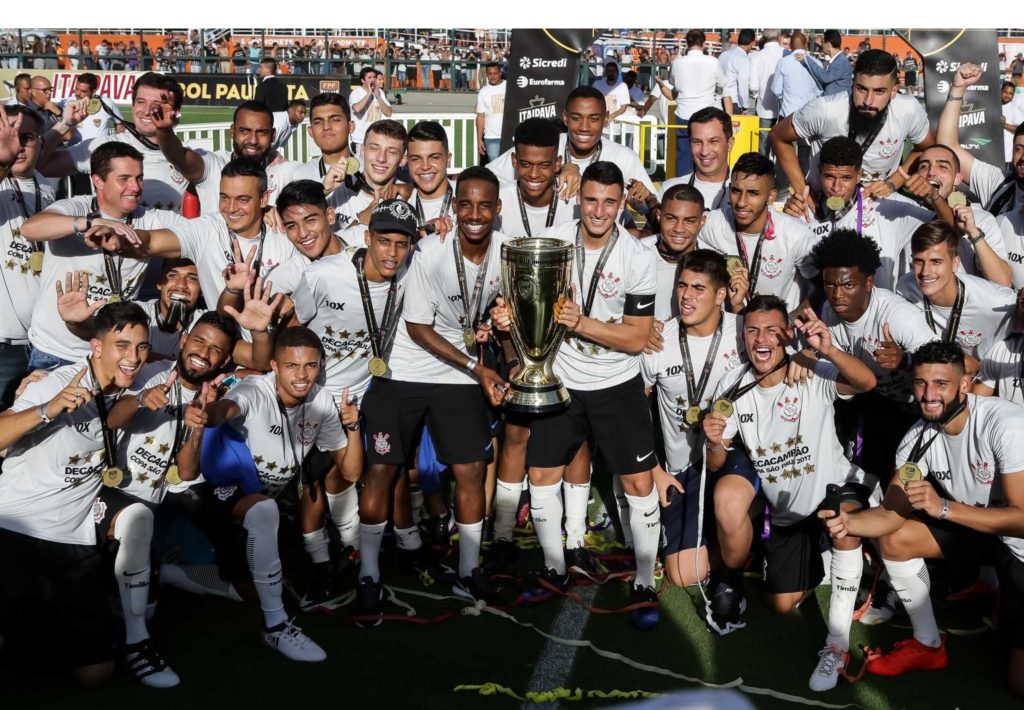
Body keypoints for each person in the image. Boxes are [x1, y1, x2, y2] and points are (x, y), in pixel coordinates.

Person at [497, 161, 662, 629]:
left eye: (610, 202)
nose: (599, 210)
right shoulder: (554, 241)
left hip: (617, 384)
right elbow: (519, 298)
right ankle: (553, 568)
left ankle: (646, 580)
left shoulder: (637, 257)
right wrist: (510, 315)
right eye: (591, 199)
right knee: (541, 472)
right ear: (579, 198)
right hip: (561, 378)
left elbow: (635, 337)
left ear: (622, 204)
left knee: (638, 484)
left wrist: (582, 323)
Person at [822, 341, 1024, 698]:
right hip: (982, 534)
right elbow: (890, 513)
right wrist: (848, 523)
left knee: (1018, 684)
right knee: (895, 540)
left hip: (1019, 546)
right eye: (920, 383)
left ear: (964, 384)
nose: (928, 395)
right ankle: (928, 644)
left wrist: (944, 509)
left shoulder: (1004, 424)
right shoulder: (917, 438)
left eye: (940, 384)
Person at [703, 294, 877, 691]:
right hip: (790, 517)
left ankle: (837, 646)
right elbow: (716, 465)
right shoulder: (733, 390)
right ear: (743, 337)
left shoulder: (811, 370)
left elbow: (866, 382)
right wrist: (714, 443)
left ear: (786, 335)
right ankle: (826, 559)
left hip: (838, 490)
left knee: (843, 522)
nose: (761, 338)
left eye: (770, 330)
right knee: (779, 605)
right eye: (752, 330)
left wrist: (827, 349)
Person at [357, 168, 508, 617]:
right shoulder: (427, 251)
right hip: (404, 371)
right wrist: (477, 367)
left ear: (498, 209)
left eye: (485, 205)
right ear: (453, 207)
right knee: (382, 470)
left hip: (459, 376)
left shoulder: (505, 252)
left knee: (470, 470)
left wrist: (498, 324)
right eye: (465, 204)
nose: (474, 214)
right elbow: (418, 328)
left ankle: (467, 569)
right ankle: (367, 572)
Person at [0, 302, 175, 687]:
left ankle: (32, 633)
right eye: (122, 345)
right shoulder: (56, 382)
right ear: (96, 347)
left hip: (72, 542)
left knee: (96, 674)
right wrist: (48, 409)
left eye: (142, 347)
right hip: (15, 530)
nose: (133, 357)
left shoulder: (139, 382)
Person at [181, 326, 359, 661]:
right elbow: (228, 409)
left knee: (248, 587)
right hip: (212, 490)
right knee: (265, 514)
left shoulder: (321, 400)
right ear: (275, 366)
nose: (302, 375)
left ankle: (175, 574)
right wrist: (209, 413)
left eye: (310, 365)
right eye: (292, 366)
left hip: (257, 502)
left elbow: (350, 472)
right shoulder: (254, 390)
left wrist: (354, 427)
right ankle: (276, 627)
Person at [19, 142, 182, 371]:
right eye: (124, 178)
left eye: (139, 177)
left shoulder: (149, 218)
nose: (135, 187)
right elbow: (30, 229)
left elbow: (190, 239)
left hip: (111, 355)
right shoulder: (76, 206)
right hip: (55, 354)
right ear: (98, 181)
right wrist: (89, 222)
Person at [641, 249, 747, 589]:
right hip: (681, 470)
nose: (687, 296)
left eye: (699, 288)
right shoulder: (658, 341)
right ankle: (733, 543)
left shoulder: (745, 332)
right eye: (683, 286)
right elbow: (634, 410)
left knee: (730, 504)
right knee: (684, 575)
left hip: (733, 458)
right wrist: (655, 470)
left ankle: (749, 526)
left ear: (720, 295)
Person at [771, 49, 935, 203]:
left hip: (880, 206)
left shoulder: (908, 109)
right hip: (825, 205)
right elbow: (777, 136)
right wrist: (802, 190)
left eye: (879, 91)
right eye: (861, 89)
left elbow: (926, 148)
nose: (868, 101)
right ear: (852, 83)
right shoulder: (825, 109)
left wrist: (893, 182)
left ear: (894, 91)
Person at [781, 136, 935, 290]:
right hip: (824, 310)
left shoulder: (885, 204)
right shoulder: (802, 210)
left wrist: (935, 197)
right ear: (820, 171)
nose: (836, 187)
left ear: (859, 175)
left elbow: (946, 225)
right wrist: (789, 220)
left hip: (877, 311)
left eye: (846, 178)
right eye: (829, 176)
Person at [38, 72, 193, 213]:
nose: (147, 110)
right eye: (141, 102)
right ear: (132, 106)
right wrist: (65, 124)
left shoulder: (190, 159)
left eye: (157, 104)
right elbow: (40, 165)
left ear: (175, 112)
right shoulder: (102, 147)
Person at [696, 152, 818, 313]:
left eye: (753, 193)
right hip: (732, 330)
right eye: (736, 191)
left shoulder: (796, 234)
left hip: (779, 335)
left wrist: (789, 321)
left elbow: (822, 288)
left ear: (771, 196)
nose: (741, 202)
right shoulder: (712, 223)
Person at [896, 221, 1017, 374]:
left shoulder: (996, 302)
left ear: (955, 264)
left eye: (936, 262)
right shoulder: (906, 288)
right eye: (919, 261)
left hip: (984, 384)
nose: (925, 272)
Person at [148, 99, 299, 214]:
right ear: (232, 131)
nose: (253, 140)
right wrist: (163, 130)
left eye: (261, 132)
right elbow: (178, 156)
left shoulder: (285, 170)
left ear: (273, 135)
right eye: (245, 131)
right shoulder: (214, 165)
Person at [0, 106, 52, 407]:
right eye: (10, 136)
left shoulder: (44, 185)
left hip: (38, 343)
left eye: (27, 137)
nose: (18, 145)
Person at [495, 117, 576, 239]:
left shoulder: (574, 200)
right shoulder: (498, 200)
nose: (534, 174)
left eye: (544, 165)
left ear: (557, 163)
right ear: (514, 161)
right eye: (526, 164)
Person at [669, 29, 732, 176]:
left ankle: (684, 189)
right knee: (708, 154)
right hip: (706, 116)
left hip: (683, 114)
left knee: (684, 156)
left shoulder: (678, 63)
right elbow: (723, 84)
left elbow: (674, 83)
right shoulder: (713, 62)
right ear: (703, 43)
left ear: (687, 43)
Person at [641, 185, 705, 321]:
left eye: (689, 221)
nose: (679, 228)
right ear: (659, 216)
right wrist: (638, 324)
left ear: (702, 221)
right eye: (671, 218)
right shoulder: (634, 253)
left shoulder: (714, 263)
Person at [658, 107, 735, 210]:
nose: (704, 151)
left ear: (730, 143)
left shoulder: (746, 192)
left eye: (713, 141)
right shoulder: (669, 189)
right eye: (697, 142)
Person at [771, 32, 822, 119]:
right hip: (810, 115)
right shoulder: (817, 63)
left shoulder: (783, 62)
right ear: (806, 44)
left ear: (790, 45)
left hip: (788, 114)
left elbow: (776, 90)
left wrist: (786, 97)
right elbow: (820, 90)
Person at [749, 29, 784, 155]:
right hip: (784, 108)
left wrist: (756, 96)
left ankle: (763, 172)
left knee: (763, 146)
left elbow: (753, 86)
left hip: (764, 108)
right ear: (779, 37)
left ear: (763, 37)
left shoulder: (756, 56)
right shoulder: (785, 54)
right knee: (782, 146)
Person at [349, 68, 393, 157]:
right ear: (362, 80)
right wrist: (369, 93)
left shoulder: (379, 92)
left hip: (376, 138)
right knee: (361, 167)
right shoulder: (356, 93)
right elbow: (357, 109)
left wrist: (378, 97)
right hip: (360, 140)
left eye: (374, 77)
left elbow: (388, 113)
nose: (373, 80)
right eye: (369, 77)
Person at [800, 30, 853, 97]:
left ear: (828, 45)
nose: (821, 45)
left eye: (822, 42)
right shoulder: (839, 60)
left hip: (837, 104)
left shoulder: (840, 61)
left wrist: (808, 60)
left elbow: (825, 78)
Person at [717, 29, 754, 115]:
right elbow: (743, 85)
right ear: (752, 43)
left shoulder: (724, 54)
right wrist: (745, 106)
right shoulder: (743, 59)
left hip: (719, 101)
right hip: (733, 103)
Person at [475, 62, 505, 162]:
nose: (492, 76)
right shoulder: (483, 92)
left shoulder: (509, 87)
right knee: (494, 167)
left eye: (495, 73)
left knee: (510, 166)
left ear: (500, 73)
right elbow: (480, 116)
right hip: (491, 137)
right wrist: (479, 139)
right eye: (490, 74)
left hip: (508, 135)